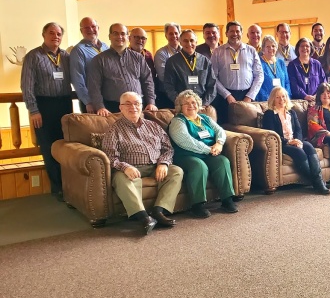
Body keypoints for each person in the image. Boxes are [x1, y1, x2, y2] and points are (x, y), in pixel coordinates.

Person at [102, 91, 183, 235]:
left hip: (154, 166)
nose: (133, 107)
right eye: (128, 104)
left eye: (136, 103)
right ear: (120, 108)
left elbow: (168, 149)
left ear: (141, 106)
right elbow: (110, 157)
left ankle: (159, 211)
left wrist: (163, 163)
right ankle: (144, 218)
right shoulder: (114, 129)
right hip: (130, 169)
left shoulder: (153, 126)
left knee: (176, 171)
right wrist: (125, 167)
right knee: (120, 179)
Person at [20, 22, 74, 201]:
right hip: (44, 107)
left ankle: (69, 186)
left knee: (66, 145)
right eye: (51, 33)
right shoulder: (33, 56)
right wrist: (34, 110)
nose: (55, 36)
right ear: (44, 35)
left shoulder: (66, 56)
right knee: (49, 146)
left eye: (59, 34)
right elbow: (26, 87)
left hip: (65, 105)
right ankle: (57, 188)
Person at [168, 90, 237, 217]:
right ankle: (197, 205)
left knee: (223, 161)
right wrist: (209, 149)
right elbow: (185, 141)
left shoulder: (205, 118)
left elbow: (220, 131)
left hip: (209, 153)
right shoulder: (178, 121)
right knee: (199, 166)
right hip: (186, 155)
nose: (191, 105)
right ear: (180, 107)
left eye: (194, 102)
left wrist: (219, 143)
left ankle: (227, 199)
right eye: (186, 103)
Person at [262, 87, 330, 194]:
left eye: (283, 96)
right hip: (282, 143)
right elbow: (271, 134)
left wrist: (297, 140)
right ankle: (319, 183)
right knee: (300, 152)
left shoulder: (291, 112)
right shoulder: (269, 114)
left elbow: (298, 129)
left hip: (295, 140)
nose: (281, 100)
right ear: (273, 99)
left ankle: (319, 182)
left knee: (309, 147)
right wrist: (289, 142)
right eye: (278, 97)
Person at [88, 23, 157, 115]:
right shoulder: (99, 60)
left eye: (123, 33)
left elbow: (148, 81)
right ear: (110, 36)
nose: (120, 36)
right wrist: (100, 107)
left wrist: (151, 102)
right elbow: (94, 87)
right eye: (116, 33)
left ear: (128, 37)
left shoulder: (138, 58)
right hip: (112, 108)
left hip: (138, 107)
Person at [211, 20, 263, 124]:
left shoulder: (251, 51)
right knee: (227, 127)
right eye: (231, 31)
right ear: (226, 33)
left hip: (247, 95)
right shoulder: (218, 52)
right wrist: (227, 95)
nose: (235, 34)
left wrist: (249, 96)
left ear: (242, 33)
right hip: (224, 97)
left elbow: (259, 75)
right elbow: (213, 76)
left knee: (249, 127)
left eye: (237, 31)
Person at [164, 30, 216, 106]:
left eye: (192, 40)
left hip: (202, 106)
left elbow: (212, 85)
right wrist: (181, 103)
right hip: (181, 106)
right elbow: (169, 87)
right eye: (185, 41)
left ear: (196, 42)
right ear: (180, 42)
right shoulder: (172, 62)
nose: (189, 44)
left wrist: (204, 103)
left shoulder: (205, 61)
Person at [70, 17, 108, 113]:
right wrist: (88, 102)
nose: (91, 30)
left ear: (98, 28)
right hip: (92, 102)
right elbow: (77, 78)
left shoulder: (105, 47)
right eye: (86, 28)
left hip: (108, 98)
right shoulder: (78, 50)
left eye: (93, 26)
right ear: (81, 31)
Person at [153, 22, 181, 108]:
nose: (174, 36)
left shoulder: (185, 51)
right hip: (167, 94)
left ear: (180, 34)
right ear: (166, 36)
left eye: (176, 33)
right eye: (171, 33)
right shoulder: (161, 53)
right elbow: (163, 76)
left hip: (183, 92)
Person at [256, 35, 292, 102]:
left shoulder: (280, 62)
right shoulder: (259, 63)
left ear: (276, 48)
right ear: (263, 48)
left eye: (273, 46)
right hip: (266, 101)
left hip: (283, 101)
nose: (271, 48)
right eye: (268, 46)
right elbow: (257, 84)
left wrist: (287, 96)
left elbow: (287, 82)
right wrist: (270, 99)